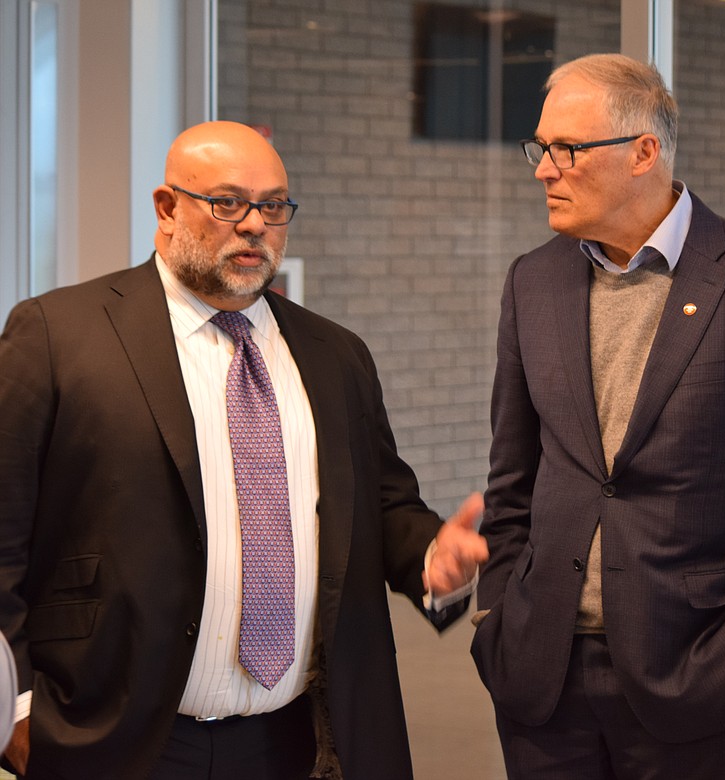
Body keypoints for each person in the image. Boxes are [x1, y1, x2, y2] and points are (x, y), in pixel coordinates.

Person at [0, 120, 488, 779]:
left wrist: (434, 558)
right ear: (167, 208)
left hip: (295, 740)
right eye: (228, 202)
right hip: (114, 735)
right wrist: (19, 708)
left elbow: (382, 503)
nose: (255, 224)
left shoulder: (336, 354)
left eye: (274, 205)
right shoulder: (59, 334)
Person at [470, 53, 725, 778]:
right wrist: (497, 616)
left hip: (699, 676)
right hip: (542, 675)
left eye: (567, 150)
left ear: (645, 152)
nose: (544, 169)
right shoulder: (533, 279)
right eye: (540, 148)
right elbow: (512, 473)